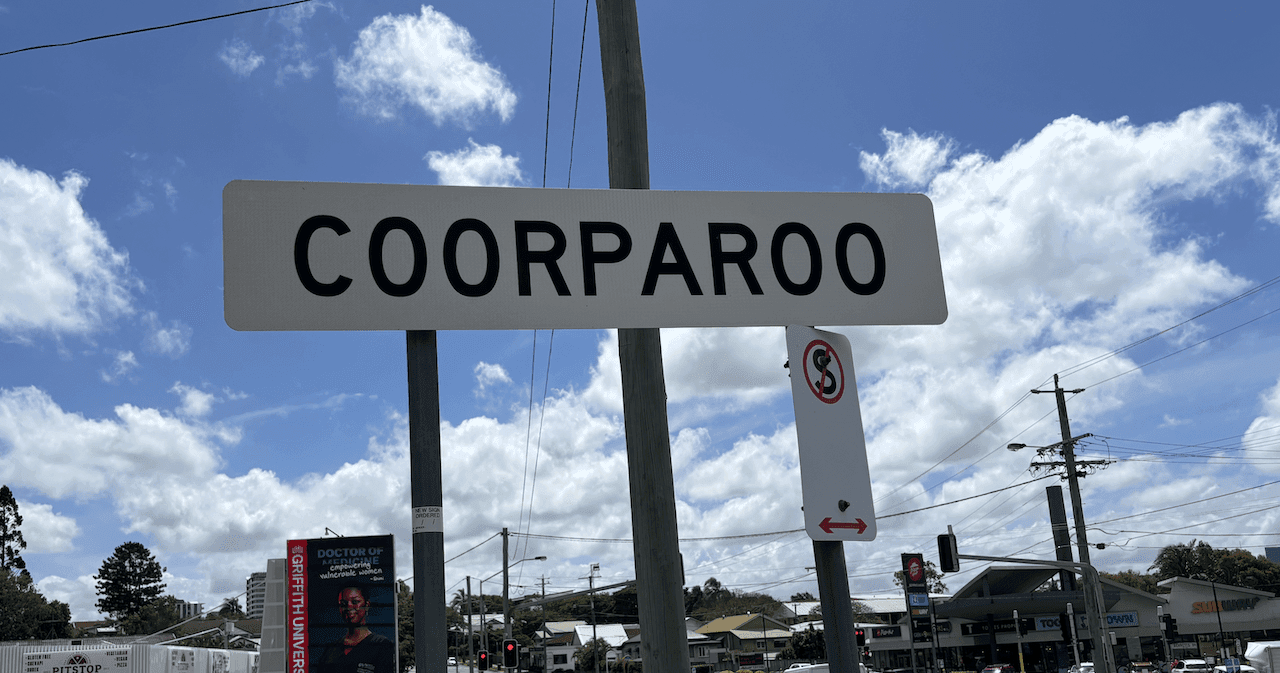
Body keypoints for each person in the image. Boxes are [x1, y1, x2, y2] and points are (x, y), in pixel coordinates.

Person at [317, 585, 395, 673]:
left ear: (367, 605)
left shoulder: (381, 645)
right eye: (343, 604)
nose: (349, 607)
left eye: (355, 602)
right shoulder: (331, 650)